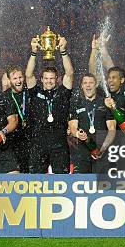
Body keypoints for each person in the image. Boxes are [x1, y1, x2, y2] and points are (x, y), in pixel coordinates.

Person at [25, 33, 74, 174]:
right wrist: (34, 53)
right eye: (46, 78)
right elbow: (28, 74)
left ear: (57, 79)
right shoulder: (35, 93)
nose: (49, 81)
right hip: (38, 144)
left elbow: (69, 73)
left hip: (59, 144)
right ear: (41, 79)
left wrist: (63, 52)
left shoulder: (63, 93)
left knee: (62, 179)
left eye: (52, 78)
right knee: (36, 180)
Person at [68, 74, 116, 173]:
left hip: (103, 151)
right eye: (85, 83)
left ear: (96, 85)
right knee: (81, 185)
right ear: (81, 86)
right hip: (83, 152)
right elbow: (72, 126)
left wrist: (102, 149)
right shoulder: (76, 104)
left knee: (104, 186)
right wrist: (77, 134)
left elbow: (112, 129)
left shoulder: (105, 103)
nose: (88, 86)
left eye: (91, 83)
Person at [5, 65, 32, 173]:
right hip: (13, 142)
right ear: (9, 80)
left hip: (31, 140)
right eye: (15, 78)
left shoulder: (31, 92)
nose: (18, 81)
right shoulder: (4, 96)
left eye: (20, 77)